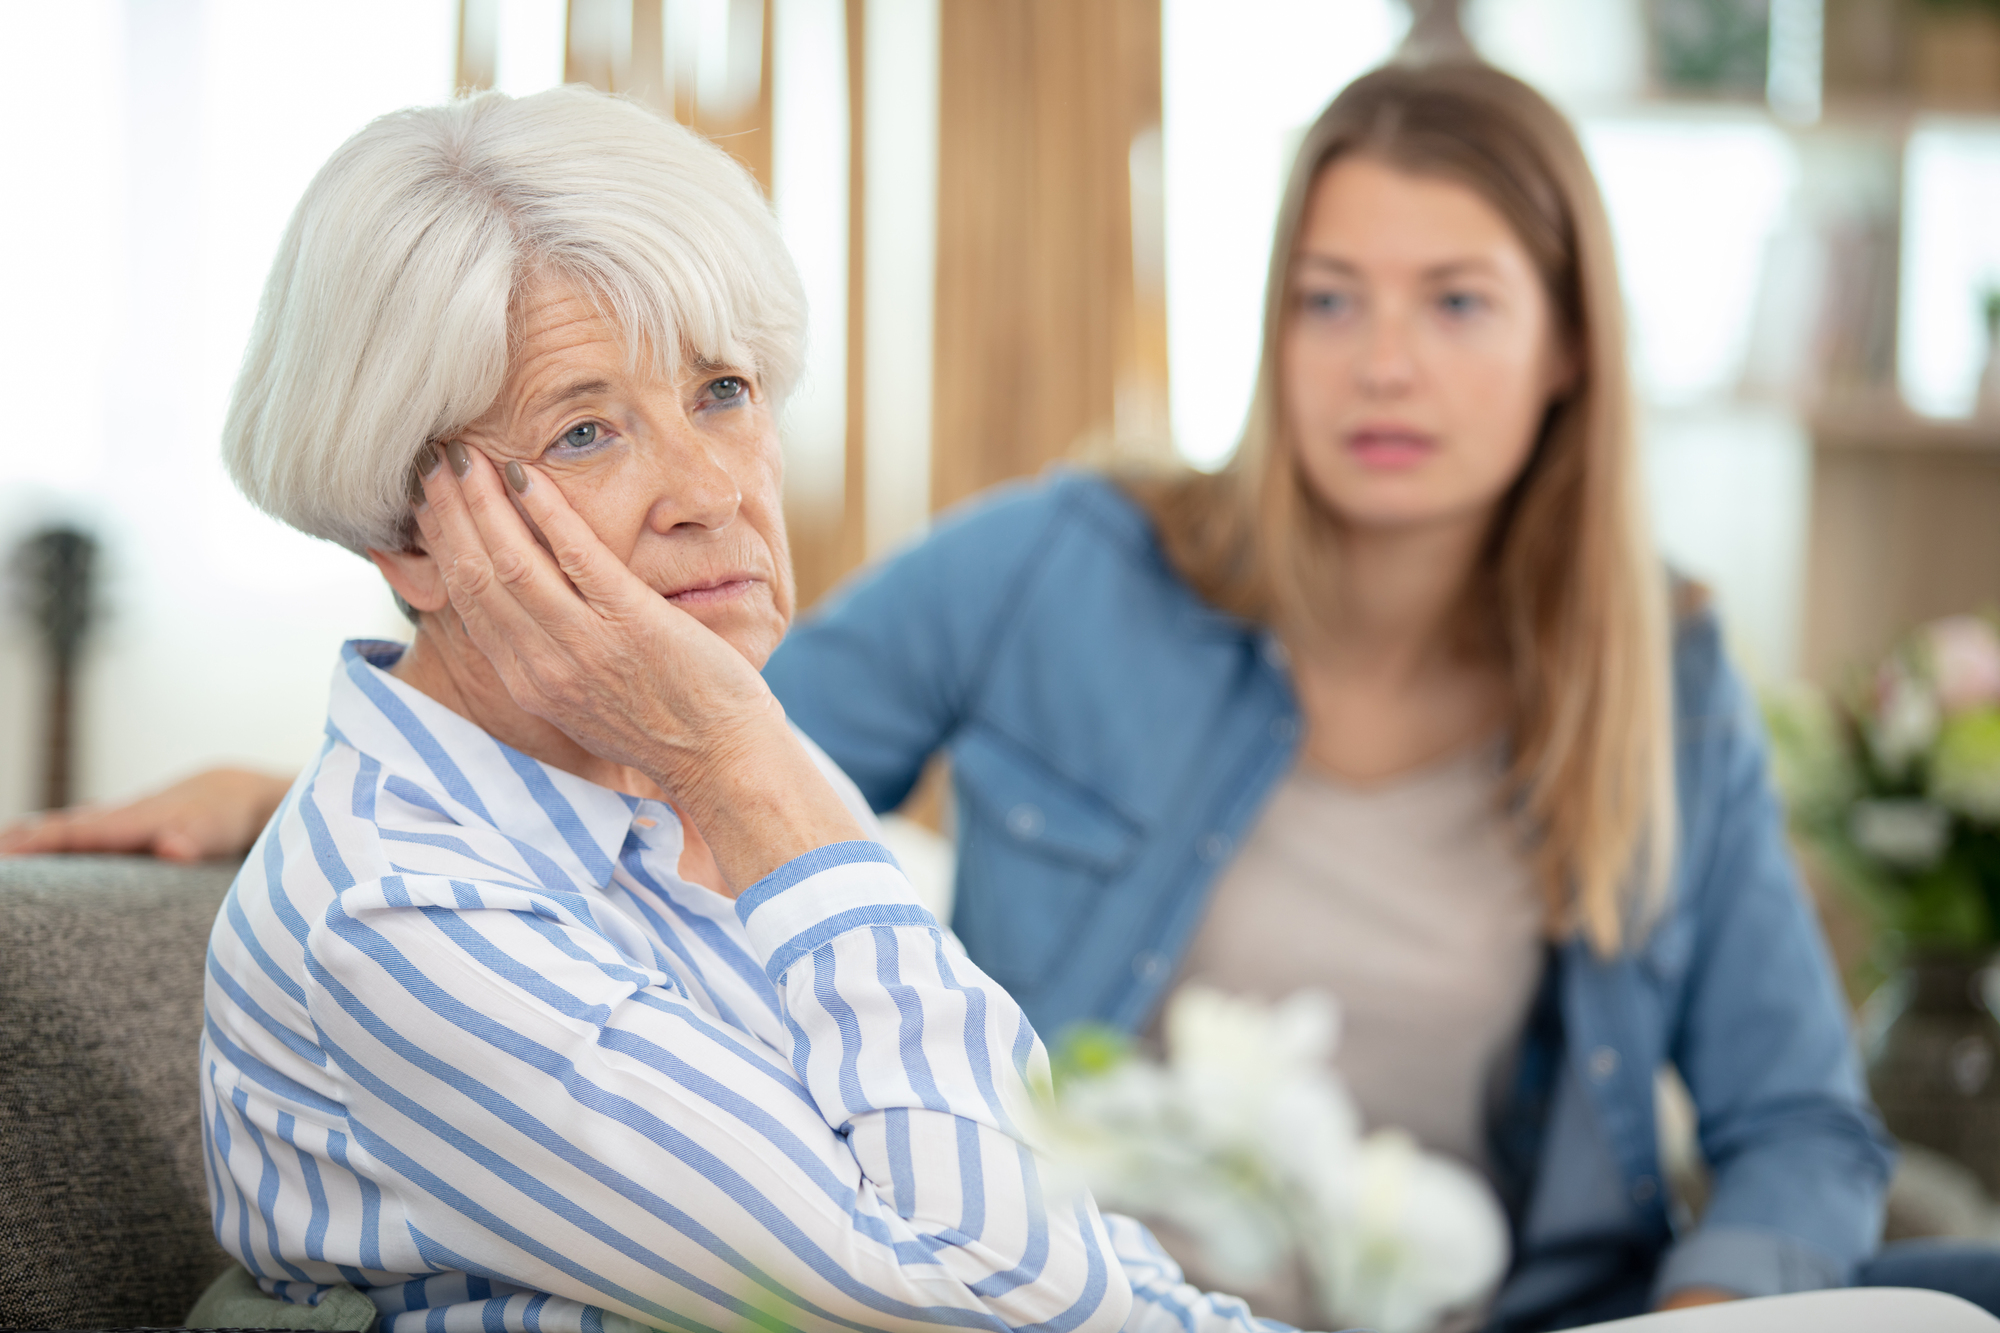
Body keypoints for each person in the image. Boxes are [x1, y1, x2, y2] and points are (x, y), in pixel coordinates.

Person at [11, 64, 2000, 1331]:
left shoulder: (1656, 667)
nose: (1382, 362)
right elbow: (726, 753)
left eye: (1456, 301)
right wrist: (305, 782)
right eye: (1329, 295)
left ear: (1572, 346)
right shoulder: (1067, 563)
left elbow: (1792, 1122)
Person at [160, 84, 1338, 1333]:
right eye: (586, 431)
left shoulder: (689, 786)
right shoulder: (403, 914)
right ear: (411, 536)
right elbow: (1000, 1294)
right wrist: (741, 756)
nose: (711, 489)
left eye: (722, 390)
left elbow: (1088, 1260)